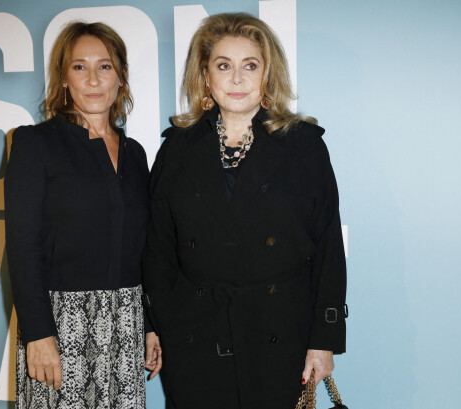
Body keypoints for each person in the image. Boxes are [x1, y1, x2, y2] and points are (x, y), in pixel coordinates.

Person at [142, 12, 347, 409]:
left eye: (249, 65)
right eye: (224, 65)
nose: (236, 78)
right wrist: (154, 325)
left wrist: (323, 341)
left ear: (267, 75)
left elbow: (327, 250)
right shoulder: (177, 148)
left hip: (277, 331)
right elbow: (157, 249)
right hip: (194, 334)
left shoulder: (303, 146)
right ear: (205, 76)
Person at [5, 21, 159, 409]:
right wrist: (38, 335)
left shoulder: (136, 153)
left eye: (104, 66)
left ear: (120, 76)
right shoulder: (34, 143)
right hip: (60, 326)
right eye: (79, 67)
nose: (93, 79)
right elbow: (22, 246)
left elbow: (143, 250)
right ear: (63, 78)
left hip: (126, 325)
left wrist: (151, 325)